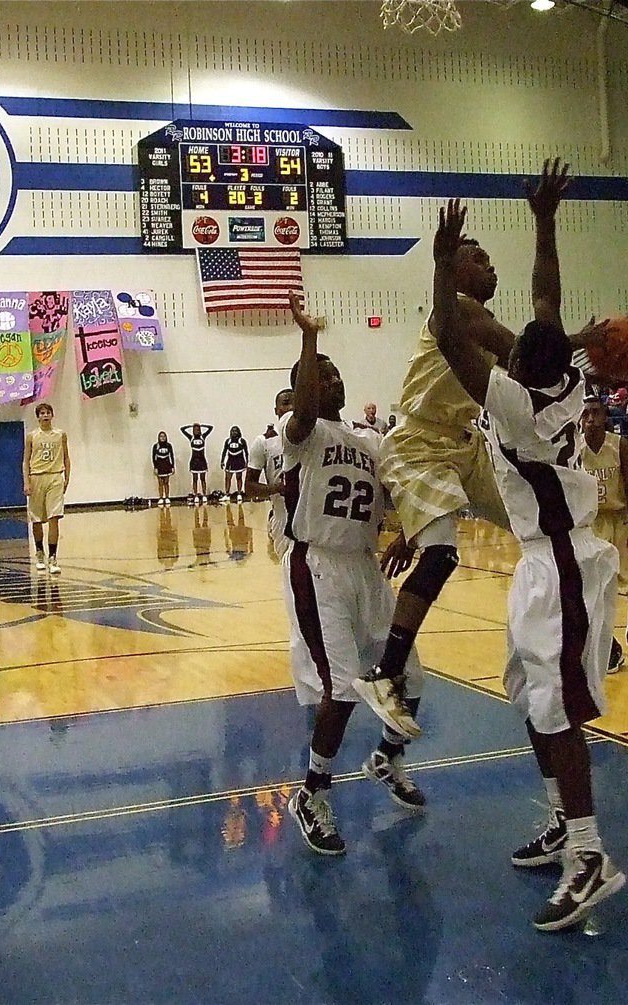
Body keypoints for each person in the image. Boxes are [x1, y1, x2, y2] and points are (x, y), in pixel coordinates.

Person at [356, 161, 606, 734]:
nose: (489, 264)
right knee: (444, 556)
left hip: (462, 445)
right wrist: (583, 340)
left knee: (537, 529)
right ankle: (384, 673)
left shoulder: (483, 322)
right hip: (419, 441)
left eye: (490, 257)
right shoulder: (463, 315)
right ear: (454, 270)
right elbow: (532, 341)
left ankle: (584, 629)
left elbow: (536, 331)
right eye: (477, 257)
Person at [432, 197, 625, 932]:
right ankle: (561, 823)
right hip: (543, 559)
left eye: (508, 350)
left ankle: (589, 854)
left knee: (558, 707)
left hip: (564, 561)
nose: (501, 347)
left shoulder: (516, 405)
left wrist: (440, 264)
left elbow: (451, 337)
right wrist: (544, 219)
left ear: (514, 367)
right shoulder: (563, 380)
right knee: (527, 691)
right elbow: (547, 302)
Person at [282, 292, 423, 858]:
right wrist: (310, 339)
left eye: (335, 371)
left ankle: (386, 758)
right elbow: (307, 409)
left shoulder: (372, 442)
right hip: (319, 566)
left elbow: (407, 497)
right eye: (320, 374)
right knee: (340, 687)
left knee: (410, 680)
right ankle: (312, 791)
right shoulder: (304, 434)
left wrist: (409, 533)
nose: (331, 379)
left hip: (365, 567)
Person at [581, 398, 628, 660]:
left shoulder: (618, 445)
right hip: (592, 522)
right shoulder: (574, 447)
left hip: (620, 520)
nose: (590, 418)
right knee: (593, 589)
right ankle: (608, 645)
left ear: (605, 416)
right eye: (585, 413)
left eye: (595, 413)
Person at [246, 389, 296, 561]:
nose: (290, 408)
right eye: (285, 403)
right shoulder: (264, 442)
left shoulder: (312, 439)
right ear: (276, 410)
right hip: (283, 517)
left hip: (311, 517)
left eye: (294, 403)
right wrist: (276, 488)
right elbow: (249, 487)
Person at [22, 402, 70, 575]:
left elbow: (66, 457)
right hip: (36, 478)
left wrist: (67, 478)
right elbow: (25, 461)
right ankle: (40, 552)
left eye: (48, 412)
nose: (45, 415)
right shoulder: (31, 436)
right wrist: (26, 482)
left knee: (54, 517)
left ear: (52, 415)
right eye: (42, 413)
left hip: (55, 476)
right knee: (36, 519)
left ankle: (53, 557)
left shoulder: (60, 434)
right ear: (38, 416)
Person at [181, 421, 213, 504]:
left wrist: (202, 425)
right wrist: (190, 425)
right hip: (194, 461)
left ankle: (204, 494)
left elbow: (211, 428)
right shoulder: (191, 437)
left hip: (202, 461)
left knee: (203, 479)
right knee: (195, 479)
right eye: (195, 429)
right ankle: (195, 495)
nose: (196, 431)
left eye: (198, 429)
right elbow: (182, 429)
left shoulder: (203, 437)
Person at [220, 425, 249, 502]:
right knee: (227, 478)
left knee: (239, 477)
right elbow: (224, 451)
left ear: (238, 432)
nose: (234, 432)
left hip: (239, 461)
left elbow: (246, 452)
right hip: (230, 461)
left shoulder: (242, 441)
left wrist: (247, 462)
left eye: (235, 431)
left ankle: (239, 493)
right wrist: (222, 461)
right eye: (232, 431)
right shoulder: (228, 441)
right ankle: (227, 494)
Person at [150, 431, 175, 506]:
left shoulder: (169, 445)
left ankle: (167, 497)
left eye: (164, 436)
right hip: (159, 466)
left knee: (166, 482)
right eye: (161, 436)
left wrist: (172, 466)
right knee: (160, 483)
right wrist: (155, 467)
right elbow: (153, 457)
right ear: (159, 437)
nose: (162, 438)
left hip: (167, 465)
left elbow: (172, 456)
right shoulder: (156, 446)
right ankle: (161, 497)